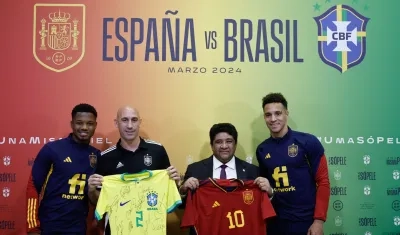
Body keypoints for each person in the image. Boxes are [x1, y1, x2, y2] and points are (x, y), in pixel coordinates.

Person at [87, 106, 180, 235]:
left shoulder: (157, 151)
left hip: (151, 229)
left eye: (134, 120)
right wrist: (92, 190)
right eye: (125, 120)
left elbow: (168, 190)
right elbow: (98, 201)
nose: (130, 125)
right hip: (117, 229)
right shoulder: (105, 157)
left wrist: (174, 181)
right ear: (116, 123)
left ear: (140, 122)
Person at [255, 93, 330, 235]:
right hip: (276, 222)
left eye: (278, 113)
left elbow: (323, 182)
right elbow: (267, 190)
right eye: (268, 115)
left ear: (286, 113)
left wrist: (319, 221)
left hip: (305, 221)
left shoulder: (308, 142)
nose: (273, 119)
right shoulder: (262, 149)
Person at [179, 123, 274, 234]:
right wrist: (183, 190)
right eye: (218, 142)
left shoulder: (252, 171)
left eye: (229, 141)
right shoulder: (195, 170)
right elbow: (183, 206)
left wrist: (270, 192)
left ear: (235, 144)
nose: (224, 146)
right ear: (212, 145)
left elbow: (261, 208)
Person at [26, 103, 101, 235]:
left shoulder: (97, 155)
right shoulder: (52, 149)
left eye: (89, 123)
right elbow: (33, 187)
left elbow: (96, 197)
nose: (84, 127)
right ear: (72, 124)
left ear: (95, 125)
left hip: (78, 228)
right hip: (49, 226)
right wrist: (32, 227)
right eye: (79, 123)